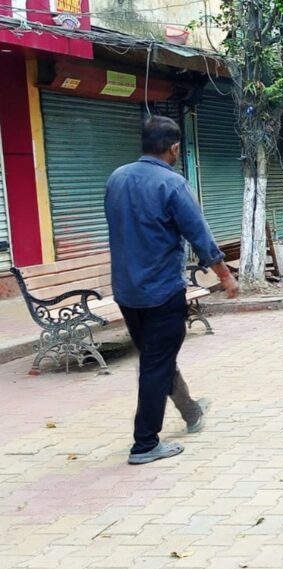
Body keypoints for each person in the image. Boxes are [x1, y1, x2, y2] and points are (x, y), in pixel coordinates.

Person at [104, 116, 239, 465]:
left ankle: (190, 411)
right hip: (161, 290)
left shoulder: (116, 178)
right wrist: (225, 275)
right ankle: (145, 443)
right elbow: (199, 233)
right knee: (155, 363)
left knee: (157, 357)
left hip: (126, 290)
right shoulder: (172, 184)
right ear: (174, 147)